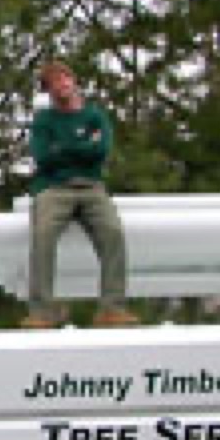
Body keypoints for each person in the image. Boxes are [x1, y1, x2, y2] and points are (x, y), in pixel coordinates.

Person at [23, 60, 138, 329]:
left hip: (92, 186)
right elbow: (43, 156)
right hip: (53, 188)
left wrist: (63, 147)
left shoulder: (95, 116)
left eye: (66, 78)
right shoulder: (43, 120)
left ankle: (112, 308)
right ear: (48, 90)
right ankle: (43, 311)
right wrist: (83, 145)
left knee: (113, 232)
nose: (62, 84)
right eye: (55, 81)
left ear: (74, 82)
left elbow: (102, 151)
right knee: (42, 235)